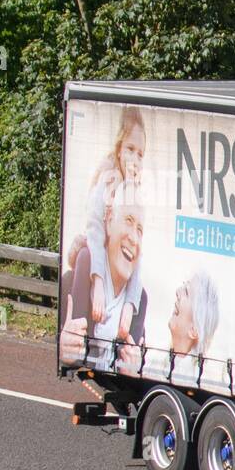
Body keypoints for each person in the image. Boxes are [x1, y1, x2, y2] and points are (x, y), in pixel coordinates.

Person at [65, 107, 146, 339]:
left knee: (143, 295)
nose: (135, 159)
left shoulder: (136, 192)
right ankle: (80, 340)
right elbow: (95, 234)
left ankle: (128, 360)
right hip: (96, 262)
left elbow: (137, 254)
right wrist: (98, 282)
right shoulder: (106, 181)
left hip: (115, 271)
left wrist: (130, 304)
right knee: (85, 257)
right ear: (119, 150)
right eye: (130, 149)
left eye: (141, 154)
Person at [59, 181, 146, 368]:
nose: (133, 237)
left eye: (140, 230)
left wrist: (133, 370)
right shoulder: (71, 282)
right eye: (128, 220)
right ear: (108, 219)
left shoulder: (140, 301)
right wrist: (65, 352)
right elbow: (65, 354)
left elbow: (133, 371)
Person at [114, 271, 221, 375]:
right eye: (183, 286)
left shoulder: (196, 378)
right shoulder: (156, 357)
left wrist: (132, 375)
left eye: (187, 292)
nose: (178, 291)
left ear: (194, 330)